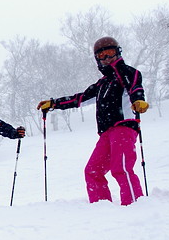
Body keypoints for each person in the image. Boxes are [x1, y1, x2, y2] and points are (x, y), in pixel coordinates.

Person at [37, 36, 149, 206]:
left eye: (110, 53)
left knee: (121, 168)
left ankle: (135, 206)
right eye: (102, 56)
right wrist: (54, 103)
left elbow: (135, 88)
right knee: (92, 171)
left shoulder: (127, 72)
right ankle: (100, 208)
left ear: (118, 52)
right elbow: (79, 98)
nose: (107, 58)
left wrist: (138, 100)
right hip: (106, 133)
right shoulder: (101, 84)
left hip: (124, 128)